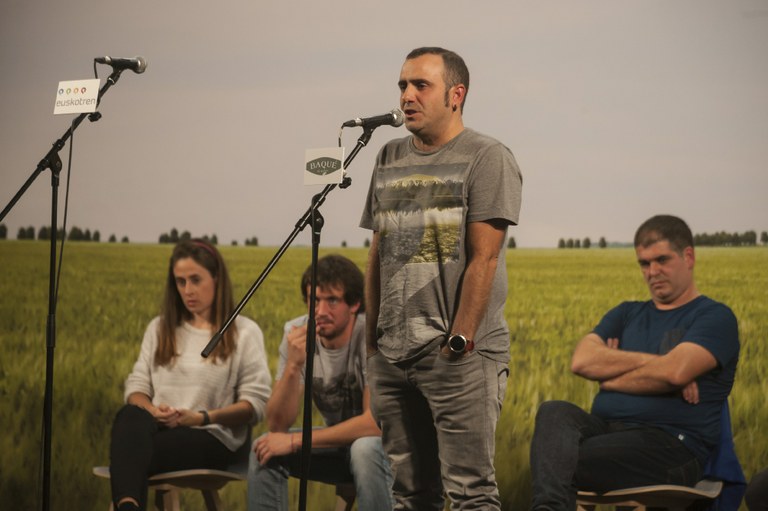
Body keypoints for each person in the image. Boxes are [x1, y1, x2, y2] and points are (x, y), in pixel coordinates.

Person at [360, 46, 523, 510]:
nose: (407, 96)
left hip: (456, 357)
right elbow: (378, 253)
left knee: (470, 493)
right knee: (410, 495)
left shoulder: (487, 156)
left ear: (456, 94)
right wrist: (372, 347)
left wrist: (460, 341)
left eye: (420, 85)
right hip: (392, 358)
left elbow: (484, 259)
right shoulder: (389, 155)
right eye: (402, 85)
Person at [529, 215, 741, 511]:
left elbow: (675, 372)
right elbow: (582, 360)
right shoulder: (626, 313)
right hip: (606, 430)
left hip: (671, 446)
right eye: (644, 263)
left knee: (559, 457)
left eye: (662, 260)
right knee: (553, 411)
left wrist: (610, 377)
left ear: (688, 257)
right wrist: (661, 363)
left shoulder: (715, 317)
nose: (652, 272)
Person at [109, 239, 272, 511]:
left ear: (216, 278)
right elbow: (137, 387)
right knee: (130, 415)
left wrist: (200, 417)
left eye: (196, 280)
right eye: (180, 281)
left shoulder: (243, 332)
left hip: (213, 437)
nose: (188, 290)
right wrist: (152, 411)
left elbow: (255, 406)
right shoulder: (159, 328)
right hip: (159, 429)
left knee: (130, 451)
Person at [247, 254, 394, 511]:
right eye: (314, 300)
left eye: (332, 300)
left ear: (354, 303)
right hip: (338, 446)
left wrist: (296, 441)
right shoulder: (296, 333)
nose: (321, 311)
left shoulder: (371, 334)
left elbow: (374, 424)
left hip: (386, 449)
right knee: (264, 447)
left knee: (364, 449)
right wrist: (293, 366)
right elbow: (277, 424)